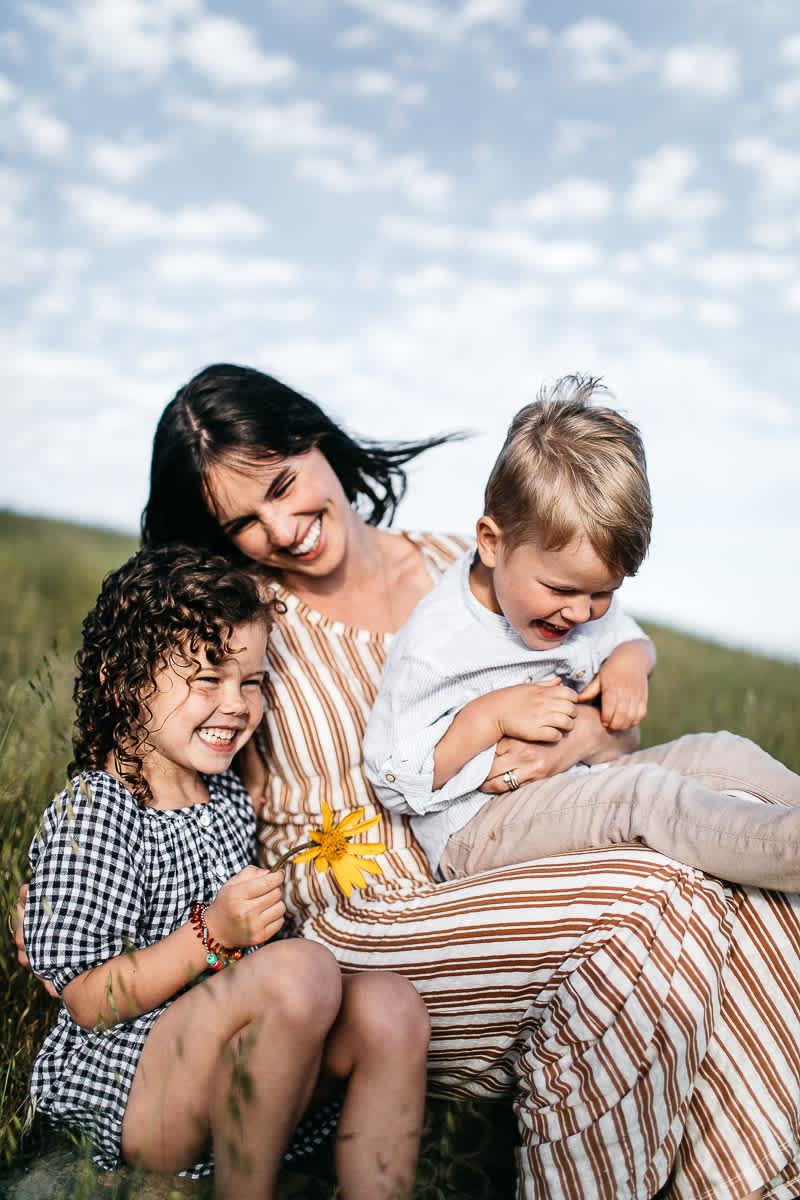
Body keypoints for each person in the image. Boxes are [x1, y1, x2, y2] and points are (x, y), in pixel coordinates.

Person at [16, 361, 800, 1199]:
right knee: (651, 896)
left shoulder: (465, 567)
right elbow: (155, 733)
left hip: (513, 854)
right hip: (362, 924)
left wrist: (561, 745)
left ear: (315, 440)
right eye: (243, 520)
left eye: (283, 484)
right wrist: (86, 877)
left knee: (733, 877)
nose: (281, 528)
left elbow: (614, 721)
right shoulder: (241, 619)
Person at [22, 545, 429, 1200]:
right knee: (303, 969)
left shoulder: (228, 794)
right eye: (207, 680)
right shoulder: (98, 811)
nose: (237, 704)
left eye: (251, 682)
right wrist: (211, 935)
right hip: (130, 1095)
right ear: (126, 682)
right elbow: (88, 999)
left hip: (225, 1070)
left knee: (392, 1006)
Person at [363, 377, 800, 887]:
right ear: (490, 543)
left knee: (719, 752)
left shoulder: (575, 600)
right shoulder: (434, 646)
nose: (580, 613)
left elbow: (627, 636)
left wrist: (631, 663)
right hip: (480, 830)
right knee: (644, 797)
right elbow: (391, 779)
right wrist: (489, 716)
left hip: (580, 785)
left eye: (602, 593)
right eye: (560, 590)